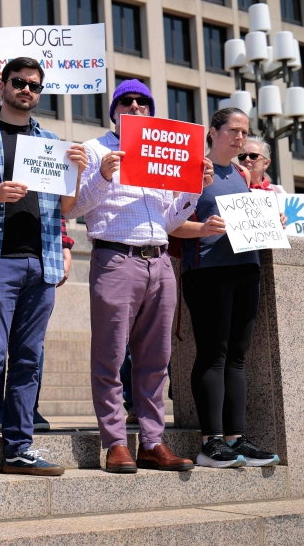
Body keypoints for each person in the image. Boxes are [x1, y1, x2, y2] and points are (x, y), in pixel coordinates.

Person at [0, 57, 88, 480]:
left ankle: (20, 447)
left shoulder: (51, 142)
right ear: (2, 86)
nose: (27, 90)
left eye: (34, 86)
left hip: (39, 264)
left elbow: (65, 209)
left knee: (29, 359)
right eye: (19, 83)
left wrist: (77, 172)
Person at [65, 79, 213, 474]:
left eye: (142, 102)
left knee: (156, 359)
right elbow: (74, 209)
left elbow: (169, 220)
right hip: (116, 259)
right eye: (126, 101)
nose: (134, 106)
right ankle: (115, 442)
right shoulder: (95, 149)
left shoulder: (160, 154)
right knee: (111, 356)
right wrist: (103, 177)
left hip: (160, 261)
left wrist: (194, 191)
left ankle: (151, 441)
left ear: (150, 110)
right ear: (113, 110)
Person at [170, 108, 281, 468]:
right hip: (207, 270)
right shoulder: (193, 169)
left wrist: (272, 219)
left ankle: (236, 438)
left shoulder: (242, 173)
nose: (240, 138)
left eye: (245, 132)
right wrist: (202, 229)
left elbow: (249, 217)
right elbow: (172, 225)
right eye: (233, 131)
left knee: (237, 356)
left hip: (245, 269)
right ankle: (211, 443)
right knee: (213, 354)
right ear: (213, 132)